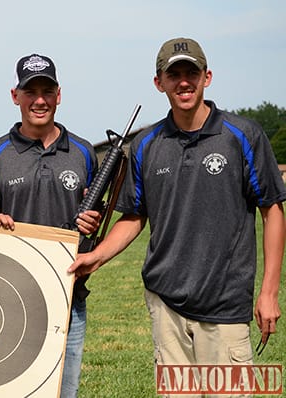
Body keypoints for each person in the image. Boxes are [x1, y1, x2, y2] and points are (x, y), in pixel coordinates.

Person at [69, 37, 286, 379]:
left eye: (192, 72)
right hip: (165, 305)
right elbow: (134, 215)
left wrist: (269, 292)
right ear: (160, 83)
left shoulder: (243, 135)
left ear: (207, 77)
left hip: (225, 303)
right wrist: (98, 256)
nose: (184, 81)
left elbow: (272, 210)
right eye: (174, 74)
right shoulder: (146, 144)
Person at [0, 54, 101, 398]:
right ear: (16, 96)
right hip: (9, 302)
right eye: (31, 91)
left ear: (59, 95)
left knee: (64, 392)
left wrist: (93, 221)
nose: (39, 100)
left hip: (69, 301)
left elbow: (95, 225)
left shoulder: (84, 153)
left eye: (47, 90)